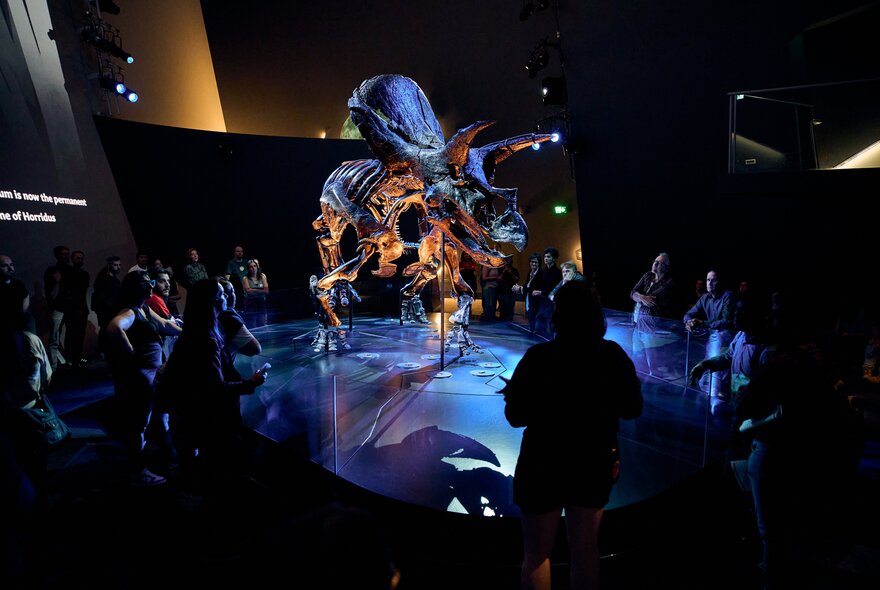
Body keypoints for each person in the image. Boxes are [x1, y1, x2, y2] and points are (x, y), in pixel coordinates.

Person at [502, 281, 643, 590]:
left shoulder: (539, 357)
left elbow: (515, 417)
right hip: (593, 461)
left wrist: (515, 394)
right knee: (585, 550)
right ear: (596, 315)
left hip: (542, 462)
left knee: (537, 555)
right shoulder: (613, 356)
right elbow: (633, 408)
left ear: (558, 315)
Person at [161, 278, 267, 505]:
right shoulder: (206, 338)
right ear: (209, 301)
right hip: (208, 415)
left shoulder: (197, 331)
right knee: (216, 461)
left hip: (192, 412)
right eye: (220, 294)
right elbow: (214, 388)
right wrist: (251, 383)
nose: (224, 298)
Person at [106, 271, 183, 486]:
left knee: (159, 418)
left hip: (152, 375)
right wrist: (130, 352)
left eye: (151, 283)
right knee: (139, 424)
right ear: (134, 288)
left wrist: (185, 331)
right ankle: (137, 470)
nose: (151, 287)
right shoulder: (131, 312)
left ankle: (169, 460)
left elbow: (166, 325)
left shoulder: (145, 309)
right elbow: (114, 327)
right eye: (146, 284)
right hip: (142, 377)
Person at [682, 269, 734, 397]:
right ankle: (712, 394)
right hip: (713, 338)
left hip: (726, 338)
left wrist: (702, 323)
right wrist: (689, 322)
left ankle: (717, 395)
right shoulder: (705, 297)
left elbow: (726, 321)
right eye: (708, 280)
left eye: (713, 280)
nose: (709, 283)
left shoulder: (728, 296)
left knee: (719, 373)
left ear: (720, 282)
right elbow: (688, 314)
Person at [629, 252, 676, 377]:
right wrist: (641, 297)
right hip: (637, 325)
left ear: (666, 267)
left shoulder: (668, 283)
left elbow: (652, 300)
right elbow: (632, 292)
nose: (655, 263)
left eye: (659, 262)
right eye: (655, 261)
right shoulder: (647, 276)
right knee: (637, 361)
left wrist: (639, 297)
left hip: (651, 330)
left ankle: (654, 389)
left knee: (652, 366)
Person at [42, 245, 72, 370]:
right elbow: (51, 295)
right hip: (58, 308)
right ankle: (53, 369)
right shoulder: (52, 271)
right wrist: (57, 282)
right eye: (64, 254)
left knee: (68, 336)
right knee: (54, 338)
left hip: (69, 308)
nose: (67, 256)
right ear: (57, 256)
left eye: (67, 253)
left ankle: (68, 362)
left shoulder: (70, 270)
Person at [92, 256, 122, 357]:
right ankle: (103, 352)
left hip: (113, 310)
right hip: (106, 312)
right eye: (115, 265)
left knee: (109, 331)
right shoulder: (103, 279)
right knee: (106, 330)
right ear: (109, 265)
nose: (118, 267)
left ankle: (108, 352)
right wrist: (110, 307)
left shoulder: (114, 279)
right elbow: (101, 296)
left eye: (119, 265)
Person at [512, 253, 544, 334]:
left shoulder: (541, 273)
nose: (533, 264)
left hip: (536, 301)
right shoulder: (530, 272)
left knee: (534, 320)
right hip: (529, 298)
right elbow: (527, 285)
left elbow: (533, 288)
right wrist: (520, 287)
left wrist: (520, 288)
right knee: (530, 319)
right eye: (532, 262)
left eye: (536, 262)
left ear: (539, 263)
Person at [242, 258, 270, 328]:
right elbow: (248, 292)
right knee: (252, 324)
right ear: (248, 268)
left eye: (254, 266)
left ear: (257, 267)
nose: (253, 268)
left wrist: (253, 290)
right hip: (250, 303)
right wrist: (260, 290)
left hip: (261, 302)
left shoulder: (262, 276)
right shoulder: (245, 278)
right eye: (251, 267)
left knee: (262, 323)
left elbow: (266, 291)